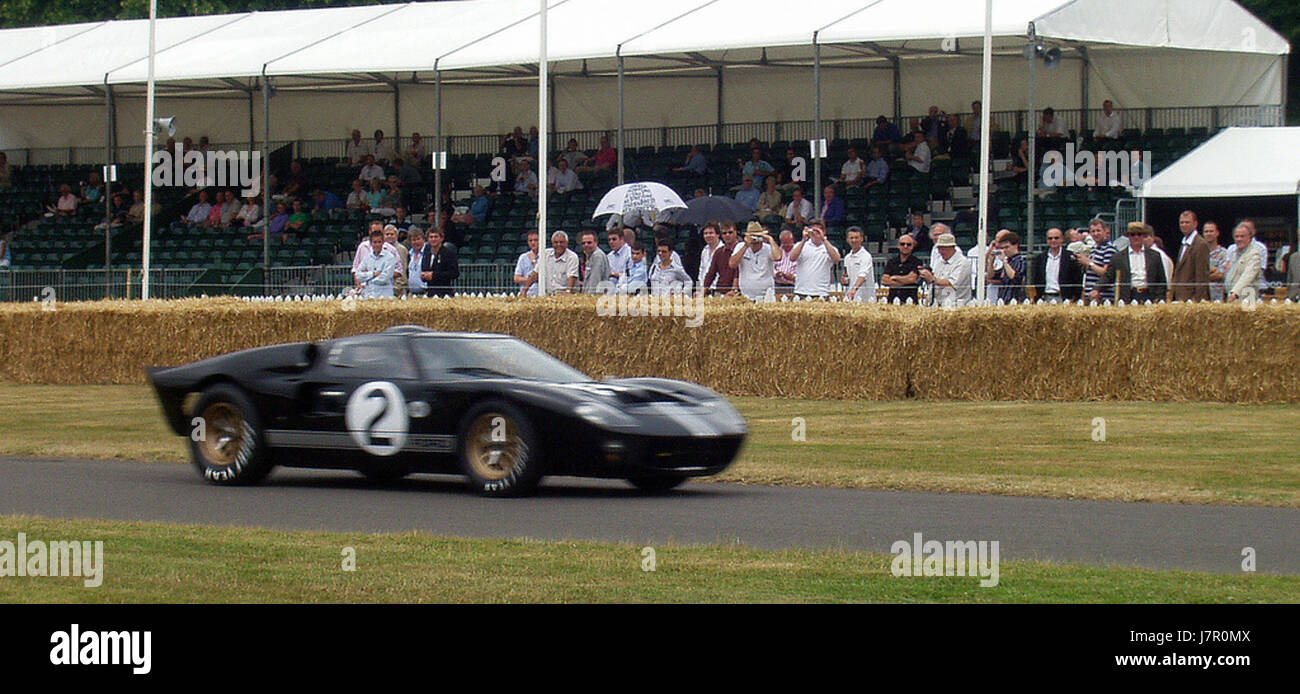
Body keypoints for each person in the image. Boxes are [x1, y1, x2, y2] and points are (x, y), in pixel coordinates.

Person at [1104, 222, 1168, 303]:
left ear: (1143, 237)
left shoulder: (1155, 256)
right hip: (1129, 296)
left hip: (1149, 296)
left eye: (1139, 234)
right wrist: (1096, 289)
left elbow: (1162, 280)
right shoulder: (1118, 257)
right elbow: (1108, 276)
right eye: (1133, 234)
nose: (1136, 237)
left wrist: (1159, 298)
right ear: (1129, 237)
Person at [788, 219, 840, 299]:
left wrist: (823, 239)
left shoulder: (829, 247)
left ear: (824, 231)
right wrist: (804, 240)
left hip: (821, 291)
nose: (815, 233)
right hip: (801, 291)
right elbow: (792, 258)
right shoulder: (801, 245)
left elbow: (836, 259)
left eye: (817, 231)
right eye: (813, 230)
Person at [730, 222, 781, 300]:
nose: (755, 239)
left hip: (766, 295)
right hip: (746, 295)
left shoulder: (768, 248)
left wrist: (770, 239)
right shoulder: (740, 246)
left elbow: (778, 257)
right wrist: (746, 246)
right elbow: (732, 264)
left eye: (757, 236)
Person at [921, 231, 972, 307]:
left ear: (952, 248)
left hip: (957, 305)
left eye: (943, 248)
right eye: (939, 248)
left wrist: (932, 279)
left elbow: (951, 283)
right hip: (938, 303)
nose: (940, 252)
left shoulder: (963, 263)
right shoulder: (940, 262)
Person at [1032, 227, 1082, 302]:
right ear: (1046, 240)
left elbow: (1078, 279)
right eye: (1050, 238)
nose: (1053, 240)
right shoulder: (1040, 258)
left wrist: (1074, 298)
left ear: (1062, 239)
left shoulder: (1070, 257)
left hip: (1065, 299)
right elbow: (1036, 279)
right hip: (1045, 298)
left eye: (1056, 238)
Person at [1171, 210, 1211, 301]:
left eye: (1187, 222)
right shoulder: (1184, 243)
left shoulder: (1200, 244)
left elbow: (1202, 276)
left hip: (1191, 298)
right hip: (1180, 296)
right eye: (1182, 222)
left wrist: (1197, 299)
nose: (1184, 225)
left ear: (1195, 224)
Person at [1081, 217, 1117, 302]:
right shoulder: (1094, 249)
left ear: (1105, 231)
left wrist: (1089, 263)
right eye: (1093, 231)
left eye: (1098, 231)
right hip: (1090, 296)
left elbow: (1106, 273)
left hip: (1103, 297)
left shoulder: (1109, 249)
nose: (1095, 234)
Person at [701, 221, 742, 296]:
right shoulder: (719, 252)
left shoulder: (742, 250)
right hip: (720, 290)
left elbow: (738, 273)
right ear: (721, 235)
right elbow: (711, 273)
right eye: (724, 233)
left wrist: (734, 290)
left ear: (736, 233)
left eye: (730, 232)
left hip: (736, 293)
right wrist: (703, 290)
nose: (727, 235)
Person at [1225, 223, 1263, 303]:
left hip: (1247, 301)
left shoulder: (1254, 254)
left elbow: (1248, 276)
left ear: (1250, 238)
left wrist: (1235, 293)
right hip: (1231, 299)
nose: (1239, 239)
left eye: (1242, 236)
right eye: (1236, 236)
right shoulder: (1234, 254)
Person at [354, 229, 398, 299]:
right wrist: (373, 274)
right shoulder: (367, 258)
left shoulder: (390, 257)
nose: (377, 245)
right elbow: (358, 276)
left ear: (383, 242)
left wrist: (367, 279)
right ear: (371, 243)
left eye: (379, 242)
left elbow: (385, 277)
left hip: (385, 297)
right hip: (368, 296)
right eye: (375, 242)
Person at [535, 230, 579, 295]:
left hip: (565, 296)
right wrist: (525, 290)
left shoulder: (572, 257)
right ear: (552, 243)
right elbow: (535, 273)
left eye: (561, 242)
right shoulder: (545, 254)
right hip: (548, 295)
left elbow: (572, 277)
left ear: (567, 243)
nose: (558, 245)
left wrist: (567, 292)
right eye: (556, 242)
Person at [418, 227, 459, 297]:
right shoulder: (426, 253)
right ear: (427, 239)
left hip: (444, 293)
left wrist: (434, 275)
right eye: (431, 237)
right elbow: (425, 269)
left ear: (441, 238)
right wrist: (424, 276)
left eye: (436, 237)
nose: (433, 239)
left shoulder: (448, 253)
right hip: (430, 293)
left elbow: (454, 273)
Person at [881, 235, 923, 304]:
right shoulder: (891, 262)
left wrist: (894, 277)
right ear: (898, 246)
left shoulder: (917, 262)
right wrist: (905, 280)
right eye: (902, 244)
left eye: (908, 244)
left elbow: (912, 279)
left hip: (910, 301)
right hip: (892, 300)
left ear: (912, 246)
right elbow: (884, 281)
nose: (905, 246)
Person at [988, 231, 1027, 303]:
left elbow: (1015, 277)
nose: (1004, 250)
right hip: (1003, 298)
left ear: (1016, 245)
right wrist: (991, 262)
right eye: (1002, 248)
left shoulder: (1021, 260)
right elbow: (991, 276)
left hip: (1014, 299)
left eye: (1007, 247)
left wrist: (1004, 261)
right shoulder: (1008, 262)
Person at [841, 226, 875, 302]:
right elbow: (847, 276)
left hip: (865, 298)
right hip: (850, 297)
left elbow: (862, 275)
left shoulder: (866, 256)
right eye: (851, 238)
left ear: (862, 239)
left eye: (856, 238)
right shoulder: (847, 257)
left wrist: (854, 289)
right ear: (847, 240)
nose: (854, 240)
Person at [1203, 221, 1230, 301]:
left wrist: (1203, 276)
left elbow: (1221, 275)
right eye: (1206, 231)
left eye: (1211, 231)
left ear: (1217, 233)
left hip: (1219, 297)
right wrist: (1212, 271)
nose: (1209, 233)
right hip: (1202, 295)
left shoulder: (1224, 253)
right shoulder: (1198, 253)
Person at [579, 230, 610, 294]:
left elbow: (595, 281)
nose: (586, 245)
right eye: (583, 243)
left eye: (589, 243)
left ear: (596, 242)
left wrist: (589, 299)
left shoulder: (597, 256)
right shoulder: (591, 255)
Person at [382, 224, 408, 296]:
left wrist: (398, 286)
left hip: (399, 287)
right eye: (387, 234)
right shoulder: (381, 249)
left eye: (392, 234)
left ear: (396, 236)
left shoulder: (402, 249)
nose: (389, 236)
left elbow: (403, 268)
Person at [514, 230, 541, 297]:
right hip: (527, 294)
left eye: (535, 240)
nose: (533, 243)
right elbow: (516, 278)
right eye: (530, 240)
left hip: (541, 294)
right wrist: (530, 280)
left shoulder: (546, 256)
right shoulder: (523, 257)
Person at [697, 223, 722, 292]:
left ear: (718, 234)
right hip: (704, 289)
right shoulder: (704, 250)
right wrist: (700, 289)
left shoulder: (723, 250)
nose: (708, 236)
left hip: (717, 290)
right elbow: (701, 270)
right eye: (705, 233)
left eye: (711, 233)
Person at [774, 228, 797, 294]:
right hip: (778, 284)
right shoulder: (777, 251)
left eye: (788, 242)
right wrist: (776, 274)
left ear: (792, 240)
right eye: (784, 243)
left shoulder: (798, 251)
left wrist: (793, 276)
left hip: (794, 284)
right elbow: (771, 267)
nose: (786, 245)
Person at [406, 227, 428, 295]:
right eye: (414, 240)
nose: (416, 242)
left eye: (418, 239)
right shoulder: (409, 254)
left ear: (424, 239)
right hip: (412, 293)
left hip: (426, 292)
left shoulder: (429, 253)